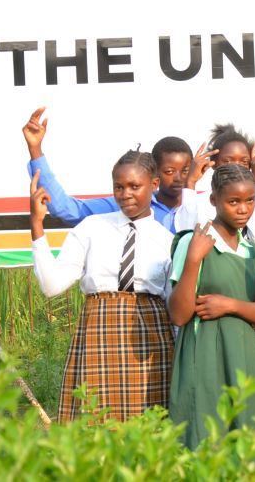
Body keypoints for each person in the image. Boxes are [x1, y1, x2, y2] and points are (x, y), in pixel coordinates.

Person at [28, 153, 174, 421]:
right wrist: (37, 224)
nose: (125, 194)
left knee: (149, 421)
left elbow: (173, 304)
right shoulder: (91, 228)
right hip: (98, 334)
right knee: (95, 419)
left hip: (150, 340)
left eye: (134, 186)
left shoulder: (167, 241)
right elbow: (51, 286)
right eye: (119, 187)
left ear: (154, 185)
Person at [168, 164, 255, 448]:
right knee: (206, 434)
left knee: (248, 437)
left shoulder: (250, 250)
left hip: (244, 354)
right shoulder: (194, 241)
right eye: (234, 201)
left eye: (249, 200)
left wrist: (229, 305)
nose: (243, 209)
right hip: (205, 353)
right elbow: (179, 314)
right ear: (214, 199)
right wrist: (193, 260)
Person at [176, 123, 255, 387]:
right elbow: (187, 235)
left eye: (244, 161)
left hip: (247, 322)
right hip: (206, 334)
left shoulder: (250, 243)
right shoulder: (201, 202)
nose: (236, 166)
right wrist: (190, 184)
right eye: (227, 160)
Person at [21, 106, 192, 231]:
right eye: (169, 172)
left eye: (185, 170)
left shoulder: (201, 208)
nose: (179, 178)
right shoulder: (127, 202)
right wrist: (35, 150)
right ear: (155, 178)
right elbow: (66, 208)